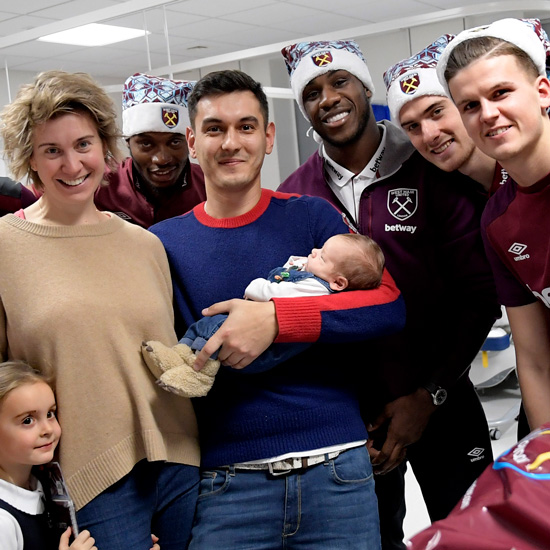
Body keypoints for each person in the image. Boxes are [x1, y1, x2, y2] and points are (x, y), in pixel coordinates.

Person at [149, 68, 406, 550]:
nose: (231, 142)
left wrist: (279, 320)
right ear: (190, 141)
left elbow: (388, 306)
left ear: (268, 138)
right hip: (227, 486)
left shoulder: (311, 217)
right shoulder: (162, 243)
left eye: (246, 127)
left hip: (338, 475)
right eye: (214, 129)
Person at [279, 40, 499, 549]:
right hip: (352, 417)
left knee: (479, 538)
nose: (328, 97)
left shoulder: (436, 170)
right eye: (311, 92)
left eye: (340, 82)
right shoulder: (296, 196)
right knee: (371, 541)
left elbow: (479, 295)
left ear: (364, 88)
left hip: (442, 397)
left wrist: (429, 395)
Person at [0, 70, 200, 550]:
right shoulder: (5, 245)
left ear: (106, 148)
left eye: (83, 144)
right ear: (30, 159)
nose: (72, 164)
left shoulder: (146, 245)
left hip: (180, 460)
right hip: (89, 473)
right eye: (52, 150)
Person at [437, 18, 550, 432]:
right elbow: (536, 361)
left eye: (501, 93)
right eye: (469, 105)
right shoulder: (498, 221)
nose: (488, 114)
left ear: (542, 91)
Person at [143, 232, 385, 397]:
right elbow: (293, 268)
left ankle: (200, 376)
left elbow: (267, 292)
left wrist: (256, 285)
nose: (313, 250)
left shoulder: (315, 288)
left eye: (322, 256)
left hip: (263, 353)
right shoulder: (317, 278)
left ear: (339, 282)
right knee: (206, 324)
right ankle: (179, 355)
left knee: (217, 330)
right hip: (254, 340)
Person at [384, 34, 502, 194]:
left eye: (437, 112)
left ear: (468, 106)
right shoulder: (444, 197)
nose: (429, 135)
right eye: (413, 126)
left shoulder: (527, 174)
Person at [0, 360, 97, 550]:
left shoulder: (41, 486)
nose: (47, 429)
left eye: (51, 414)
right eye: (27, 420)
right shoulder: (3, 521)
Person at [94, 73, 206, 227]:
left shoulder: (209, 185)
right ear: (128, 141)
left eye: (174, 142)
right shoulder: (101, 185)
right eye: (146, 144)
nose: (161, 159)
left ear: (189, 140)